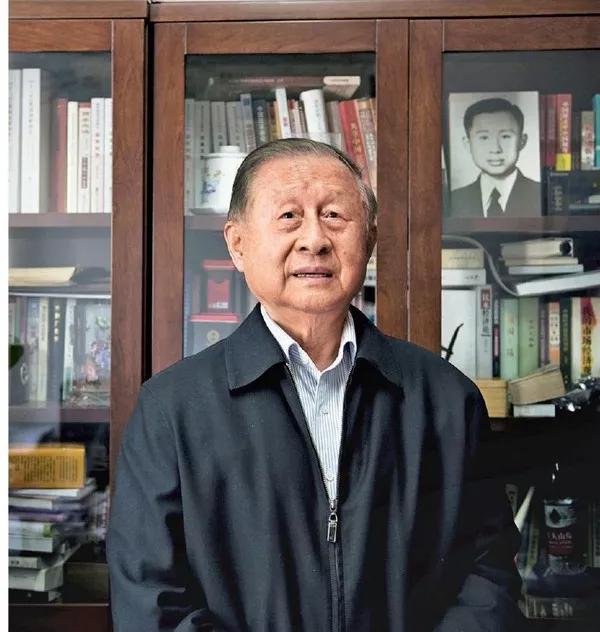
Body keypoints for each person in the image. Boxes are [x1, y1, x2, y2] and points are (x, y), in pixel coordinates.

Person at [107, 138, 524, 631]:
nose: (314, 240)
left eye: (333, 216)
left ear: (368, 240)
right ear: (237, 244)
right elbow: (152, 603)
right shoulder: (171, 411)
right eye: (289, 216)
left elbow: (487, 576)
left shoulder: (445, 399)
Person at [450, 97, 540, 218]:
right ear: (467, 144)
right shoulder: (454, 199)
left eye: (505, 136)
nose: (495, 149)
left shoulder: (540, 194)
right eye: (484, 137)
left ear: (522, 141)